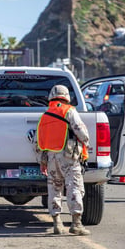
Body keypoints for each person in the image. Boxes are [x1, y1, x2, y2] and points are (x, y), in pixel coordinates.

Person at [34, 85, 90, 235]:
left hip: (51, 158)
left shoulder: (45, 115)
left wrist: (42, 161)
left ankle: (57, 223)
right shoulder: (69, 111)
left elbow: (37, 142)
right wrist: (86, 143)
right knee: (74, 187)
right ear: (66, 97)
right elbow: (81, 131)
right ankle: (76, 224)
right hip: (69, 157)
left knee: (54, 188)